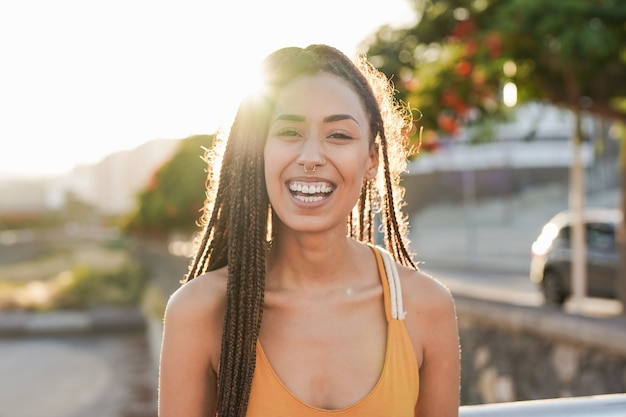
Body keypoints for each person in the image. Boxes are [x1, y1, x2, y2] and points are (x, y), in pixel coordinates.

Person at [158, 44, 460, 417]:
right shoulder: (200, 312)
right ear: (258, 152)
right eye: (289, 131)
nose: (311, 157)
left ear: (371, 159)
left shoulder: (426, 307)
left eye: (338, 135)